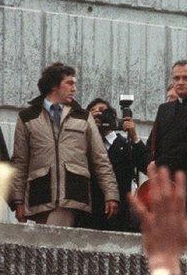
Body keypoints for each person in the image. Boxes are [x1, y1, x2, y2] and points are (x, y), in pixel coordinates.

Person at [9, 62, 118, 227]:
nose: (74, 88)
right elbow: (20, 161)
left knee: (52, 240)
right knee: (44, 247)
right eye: (69, 83)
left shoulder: (83, 116)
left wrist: (111, 194)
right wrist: (17, 201)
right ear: (54, 85)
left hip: (72, 194)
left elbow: (100, 158)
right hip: (39, 195)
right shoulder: (27, 117)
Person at [148, 60, 187, 212]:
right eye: (176, 78)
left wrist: (159, 164)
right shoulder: (164, 109)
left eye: (186, 78)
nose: (180, 82)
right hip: (162, 185)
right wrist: (149, 164)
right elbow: (152, 144)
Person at [86, 98, 149, 231]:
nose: (98, 114)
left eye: (103, 111)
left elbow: (146, 166)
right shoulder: (83, 144)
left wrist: (134, 136)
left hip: (120, 214)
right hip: (88, 213)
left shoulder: (125, 144)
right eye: (93, 112)